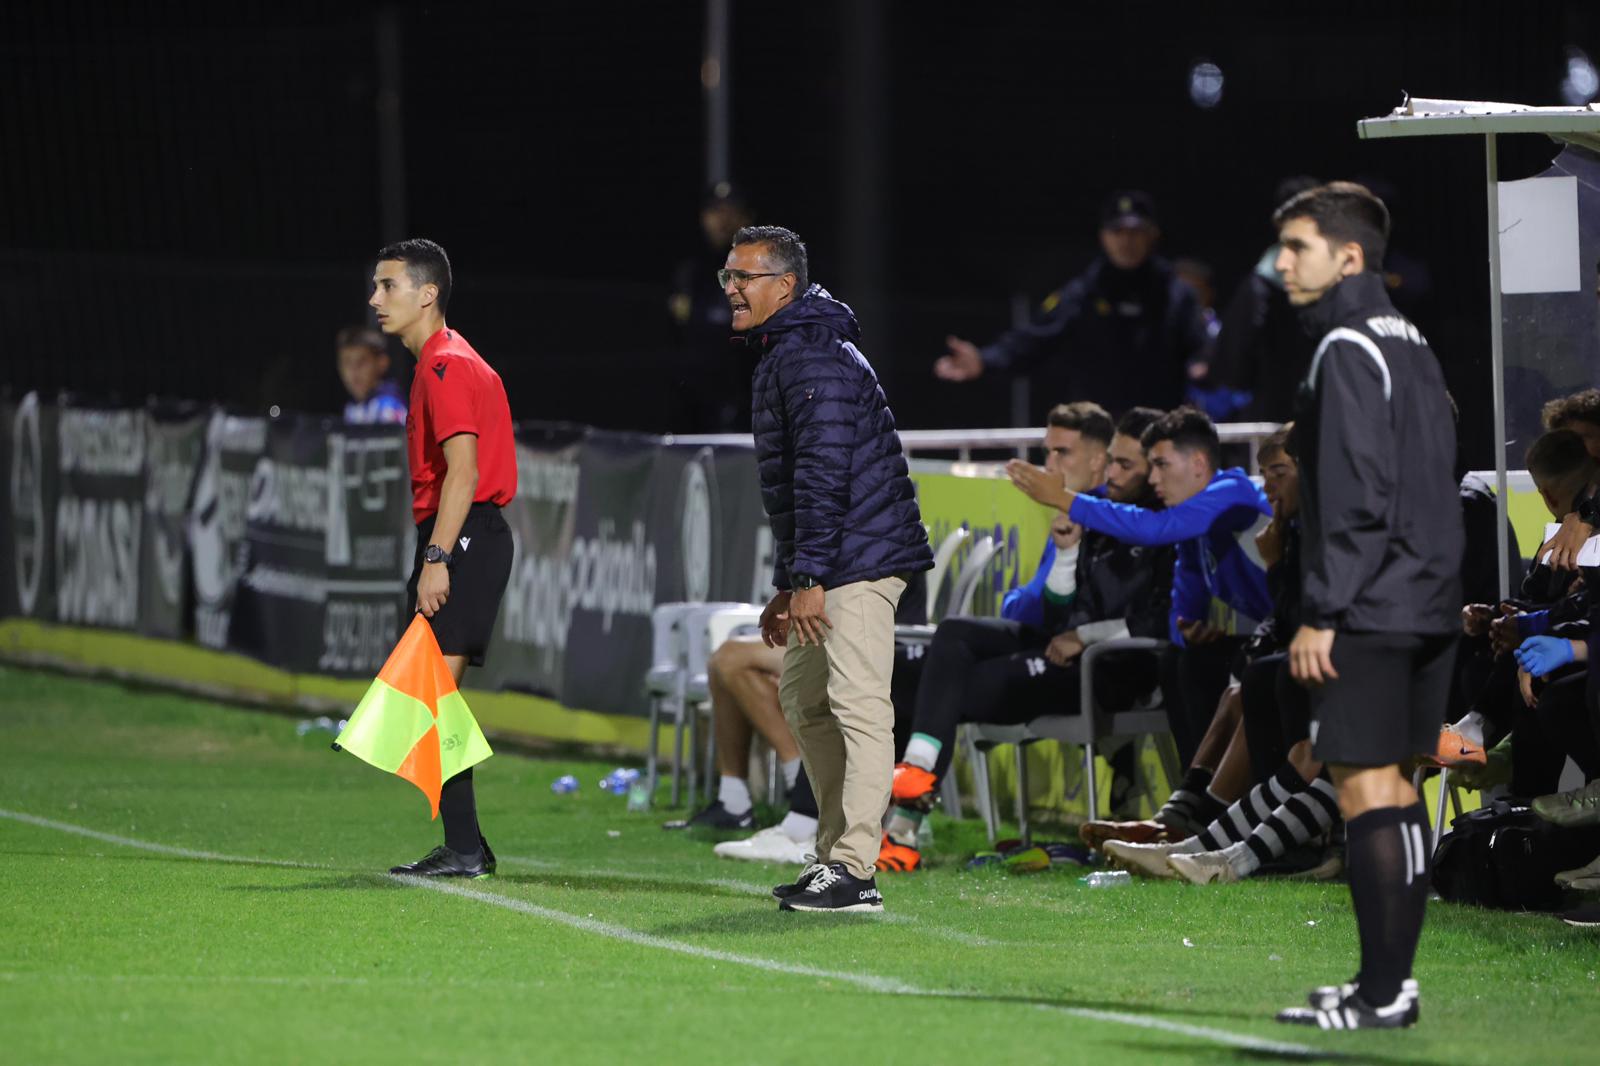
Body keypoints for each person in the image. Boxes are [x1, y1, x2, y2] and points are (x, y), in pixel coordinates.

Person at [1270, 182, 1463, 1030]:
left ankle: (1383, 992)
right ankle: (1391, 986)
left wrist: (1324, 611)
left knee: (1365, 792)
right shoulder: (1410, 338)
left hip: (1371, 605)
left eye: (1298, 247)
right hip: (1428, 597)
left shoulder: (1345, 343)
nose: (1282, 263)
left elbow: (1354, 492)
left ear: (1349, 257)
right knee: (1397, 789)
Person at [729, 225, 934, 913]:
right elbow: (802, 484)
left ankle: (856, 868)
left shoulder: (811, 357)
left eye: (744, 277)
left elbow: (823, 475)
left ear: (784, 286)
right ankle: (833, 858)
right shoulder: (793, 350)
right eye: (729, 275)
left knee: (856, 704)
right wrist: (794, 582)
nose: (731, 287)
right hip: (834, 557)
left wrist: (810, 577)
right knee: (804, 700)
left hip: (860, 558)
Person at [884, 404, 1171, 871]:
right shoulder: (1089, 518)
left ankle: (902, 825)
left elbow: (1156, 617)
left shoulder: (1155, 523)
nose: (1049, 466)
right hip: (1059, 649)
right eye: (1047, 452)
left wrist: (1084, 632)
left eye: (1063, 453)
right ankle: (905, 800)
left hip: (1108, 666)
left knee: (944, 686)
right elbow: (1040, 610)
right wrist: (1065, 554)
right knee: (947, 640)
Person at [1007, 406, 1273, 768]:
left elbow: (1152, 529)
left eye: (1161, 465)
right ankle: (1198, 796)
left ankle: (1227, 802)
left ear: (1197, 464)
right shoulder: (1194, 533)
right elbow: (1184, 614)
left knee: (1235, 671)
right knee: (1180, 662)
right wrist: (1191, 630)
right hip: (1273, 635)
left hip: (1308, 632)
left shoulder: (1233, 492)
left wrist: (1064, 499)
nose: (1152, 479)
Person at [370, 238, 518, 879]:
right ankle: (467, 845)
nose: (376, 299)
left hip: (463, 535)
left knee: (429, 694)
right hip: (461, 534)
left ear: (427, 294)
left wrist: (437, 556)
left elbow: (464, 472)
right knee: (430, 694)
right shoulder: (437, 361)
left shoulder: (445, 365)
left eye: (388, 286)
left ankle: (464, 849)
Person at [933, 191, 1209, 420]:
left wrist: (1204, 365)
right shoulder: (1083, 292)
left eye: (1136, 232)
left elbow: (1205, 354)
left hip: (1159, 435)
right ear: (1103, 235)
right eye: (1118, 231)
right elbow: (1034, 339)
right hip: (1099, 437)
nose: (1127, 240)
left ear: (1153, 235)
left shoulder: (1177, 294)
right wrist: (985, 359)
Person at [669, 183, 758, 432]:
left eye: (731, 211)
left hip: (746, 401)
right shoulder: (689, 271)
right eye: (715, 211)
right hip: (694, 405)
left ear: (747, 218)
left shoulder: (763, 270)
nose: (722, 220)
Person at [336, 325, 407, 425]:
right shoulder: (351, 408)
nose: (354, 370)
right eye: (347, 362)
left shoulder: (388, 407)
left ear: (382, 363)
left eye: (362, 361)